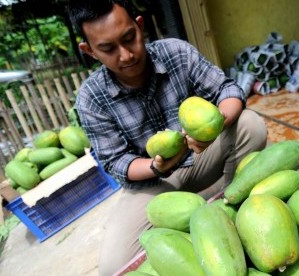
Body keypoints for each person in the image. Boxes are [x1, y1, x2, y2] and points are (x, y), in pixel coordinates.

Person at [67, 0, 268, 274]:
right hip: (152, 182)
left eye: (129, 38)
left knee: (249, 124)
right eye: (108, 48)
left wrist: (217, 124)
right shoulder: (91, 99)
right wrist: (156, 166)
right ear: (89, 51)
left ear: (140, 27)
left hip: (199, 157)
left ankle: (235, 206)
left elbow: (228, 90)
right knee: (114, 267)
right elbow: (116, 162)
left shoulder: (175, 52)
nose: (126, 55)